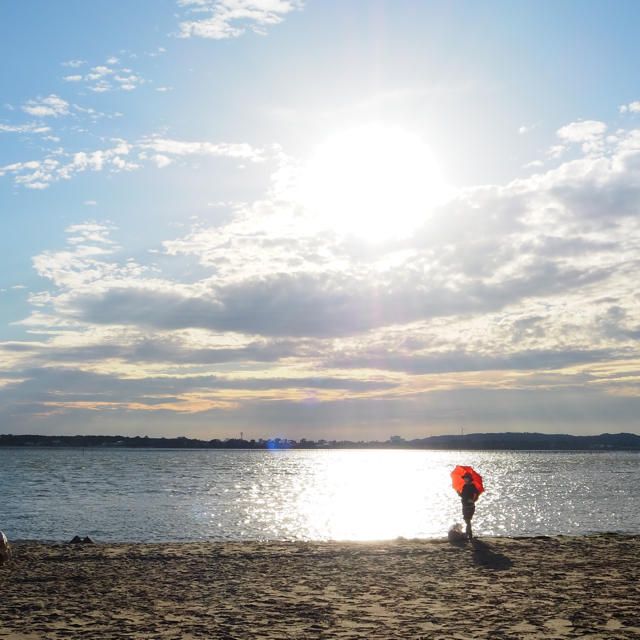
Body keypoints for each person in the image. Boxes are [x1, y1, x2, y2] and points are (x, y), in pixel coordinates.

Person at [459, 472, 479, 540]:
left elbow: (477, 492)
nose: (465, 479)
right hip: (464, 505)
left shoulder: (472, 486)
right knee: (466, 519)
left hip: (470, 506)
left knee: (468, 520)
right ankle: (469, 534)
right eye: (464, 478)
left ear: (469, 479)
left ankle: (469, 535)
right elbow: (463, 496)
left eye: (466, 478)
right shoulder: (464, 486)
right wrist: (459, 494)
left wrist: (474, 500)